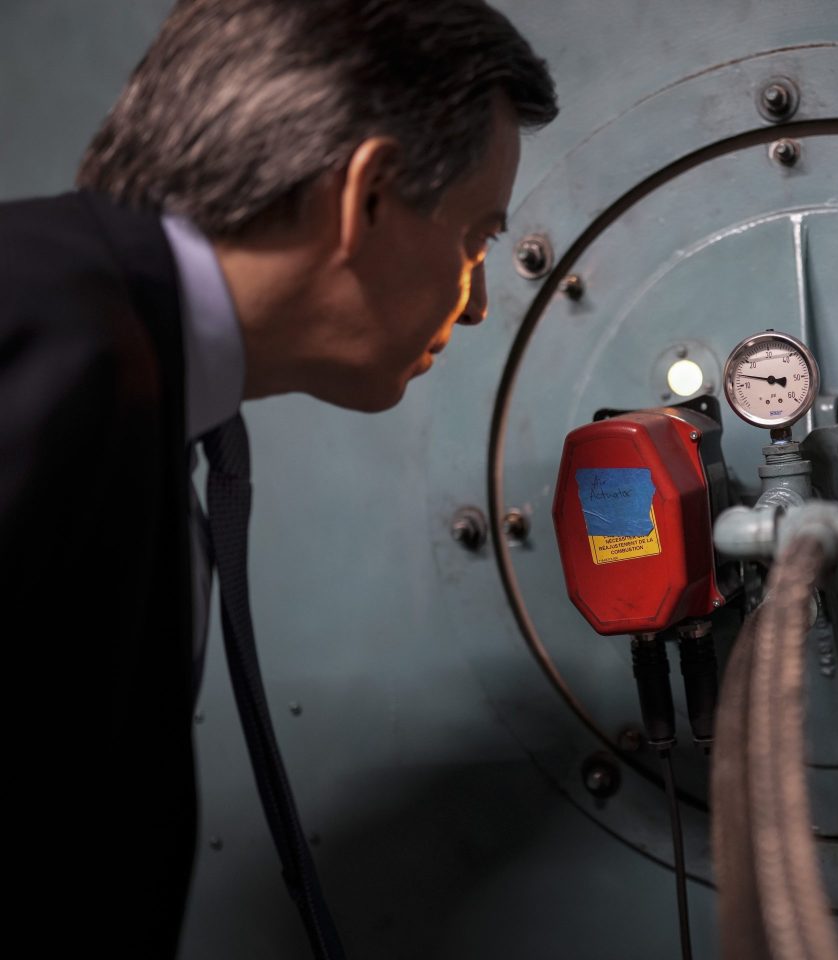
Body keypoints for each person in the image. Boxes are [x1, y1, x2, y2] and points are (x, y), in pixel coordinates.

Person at [0, 1, 557, 955]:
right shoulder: (43, 334)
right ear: (365, 197)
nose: (474, 303)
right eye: (476, 238)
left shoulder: (134, 371)